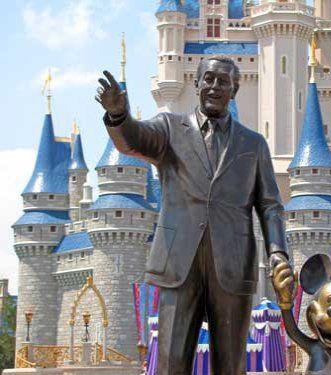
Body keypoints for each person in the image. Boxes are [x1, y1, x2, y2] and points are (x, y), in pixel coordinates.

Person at [95, 56, 295, 374]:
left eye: (223, 81)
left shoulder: (253, 144)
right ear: (197, 84)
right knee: (171, 363)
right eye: (209, 79)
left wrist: (278, 252)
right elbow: (133, 139)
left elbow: (270, 204)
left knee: (230, 365)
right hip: (178, 264)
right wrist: (119, 115)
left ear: (235, 89)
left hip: (232, 266)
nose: (215, 86)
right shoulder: (170, 128)